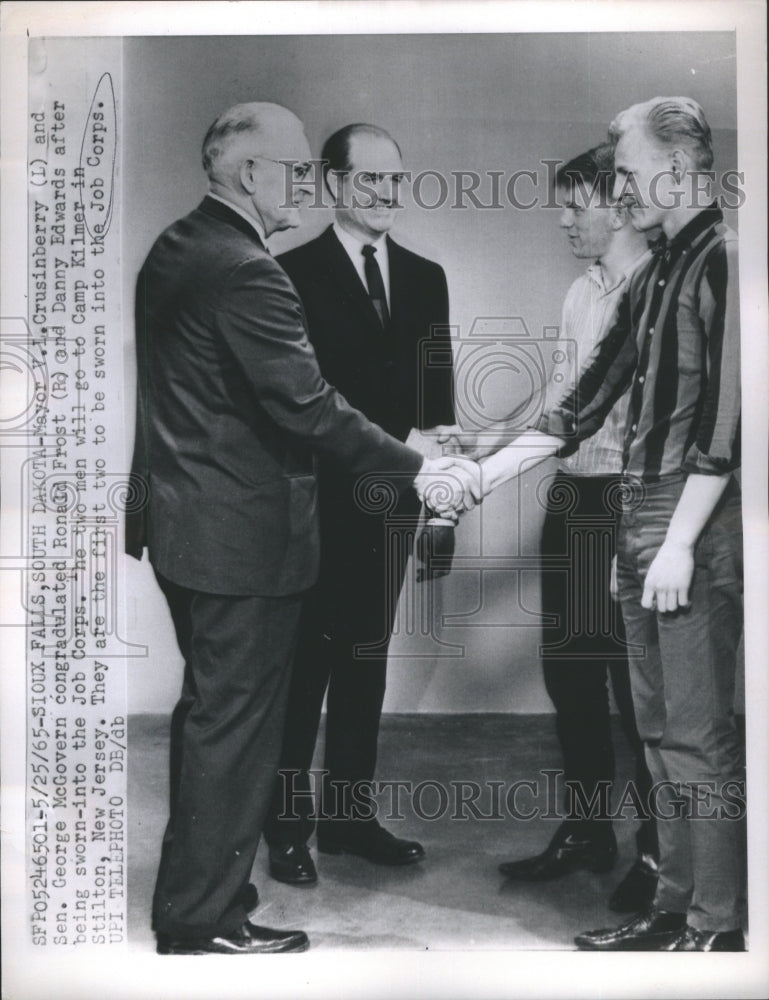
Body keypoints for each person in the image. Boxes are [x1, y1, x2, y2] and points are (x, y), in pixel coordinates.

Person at [125, 102, 479, 955]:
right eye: (291, 171)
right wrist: (418, 465)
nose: (299, 187)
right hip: (243, 538)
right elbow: (306, 405)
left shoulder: (178, 245)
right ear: (252, 173)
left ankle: (202, 903)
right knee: (233, 729)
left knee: (216, 719)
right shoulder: (250, 268)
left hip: (189, 529)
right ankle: (202, 920)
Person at [452, 98, 744, 951]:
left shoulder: (723, 260)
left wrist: (682, 540)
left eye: (625, 173)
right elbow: (577, 408)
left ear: (680, 168)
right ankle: (671, 907)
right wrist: (477, 477)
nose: (616, 191)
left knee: (695, 737)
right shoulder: (655, 274)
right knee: (654, 734)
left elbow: (724, 421)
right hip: (634, 513)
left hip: (687, 514)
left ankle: (717, 926)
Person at [263, 124, 457, 885]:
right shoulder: (284, 273)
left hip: (392, 506)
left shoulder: (425, 276)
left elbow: (435, 401)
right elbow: (287, 406)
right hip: (313, 509)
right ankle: (284, 827)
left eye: (395, 180)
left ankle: (347, 818)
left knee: (363, 663)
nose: (385, 194)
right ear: (334, 184)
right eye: (371, 180)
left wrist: (440, 510)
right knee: (303, 668)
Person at [494, 145, 658, 911]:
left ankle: (660, 853)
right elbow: (563, 404)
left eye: (574, 204)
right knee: (570, 673)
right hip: (574, 497)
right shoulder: (577, 293)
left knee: (636, 688)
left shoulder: (660, 289)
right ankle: (589, 829)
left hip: (629, 504)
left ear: (619, 205)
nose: (561, 218)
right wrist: (484, 449)